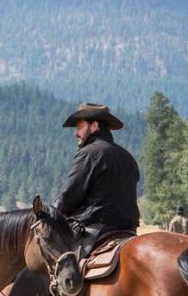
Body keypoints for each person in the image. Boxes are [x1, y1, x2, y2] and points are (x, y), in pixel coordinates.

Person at [54, 102, 141, 258]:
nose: (76, 133)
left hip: (95, 229)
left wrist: (51, 213)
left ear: (94, 126)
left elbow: (70, 197)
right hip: (128, 230)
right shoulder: (128, 157)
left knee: (57, 267)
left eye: (79, 127)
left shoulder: (89, 153)